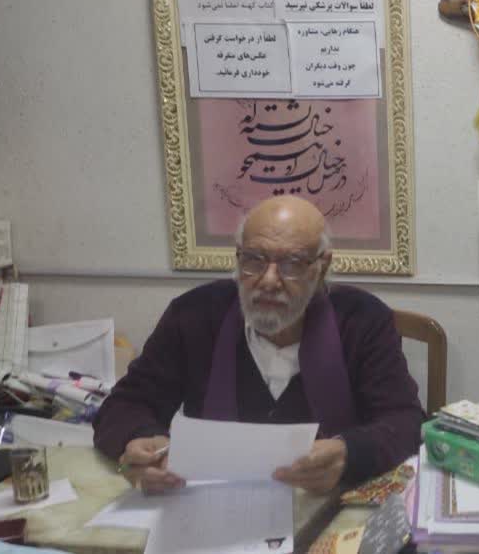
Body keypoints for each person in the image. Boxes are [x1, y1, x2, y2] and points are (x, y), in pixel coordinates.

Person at [93, 196, 424, 494]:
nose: (268, 281)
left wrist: (348, 454)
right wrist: (140, 440)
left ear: (321, 267)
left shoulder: (363, 321)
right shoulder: (193, 316)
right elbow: (124, 405)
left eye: (292, 264)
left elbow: (405, 422)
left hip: (328, 510)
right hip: (212, 505)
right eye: (253, 259)